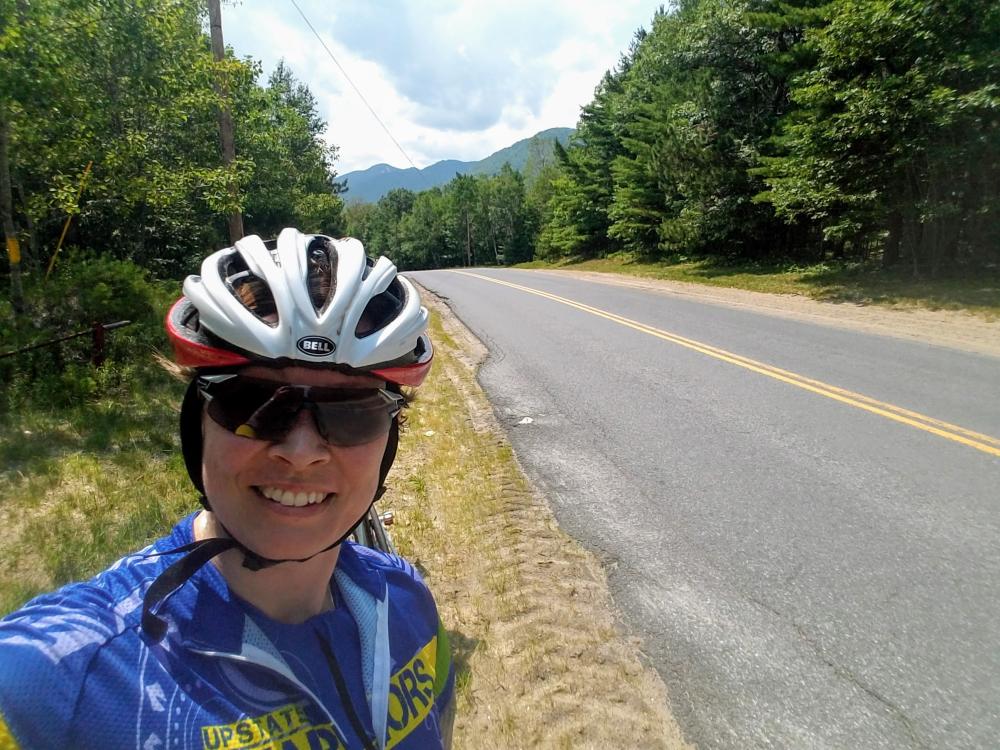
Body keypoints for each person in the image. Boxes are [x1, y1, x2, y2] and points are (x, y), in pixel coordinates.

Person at [0, 228, 454, 749]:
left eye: (353, 414)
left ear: (390, 437)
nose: (301, 451)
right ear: (197, 423)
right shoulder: (61, 682)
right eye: (253, 405)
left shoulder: (408, 600)